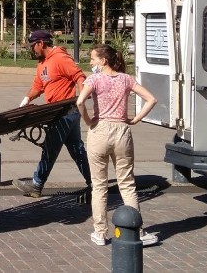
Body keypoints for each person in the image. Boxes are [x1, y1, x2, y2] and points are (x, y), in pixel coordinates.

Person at [76, 43, 158, 247]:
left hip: (100, 130)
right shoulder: (126, 79)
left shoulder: (94, 79)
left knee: (99, 185)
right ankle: (137, 230)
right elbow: (151, 99)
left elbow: (79, 102)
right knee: (127, 183)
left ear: (103, 61)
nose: (91, 62)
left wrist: (87, 120)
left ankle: (100, 232)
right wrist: (136, 119)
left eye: (93, 58)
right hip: (122, 130)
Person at [12, 30, 92, 200]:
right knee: (76, 149)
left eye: (33, 46)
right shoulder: (42, 64)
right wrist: (27, 98)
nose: (32, 49)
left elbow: (79, 76)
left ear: (41, 43)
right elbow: (38, 86)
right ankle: (94, 182)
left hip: (65, 112)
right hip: (59, 113)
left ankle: (37, 184)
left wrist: (81, 98)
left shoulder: (60, 58)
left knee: (50, 148)